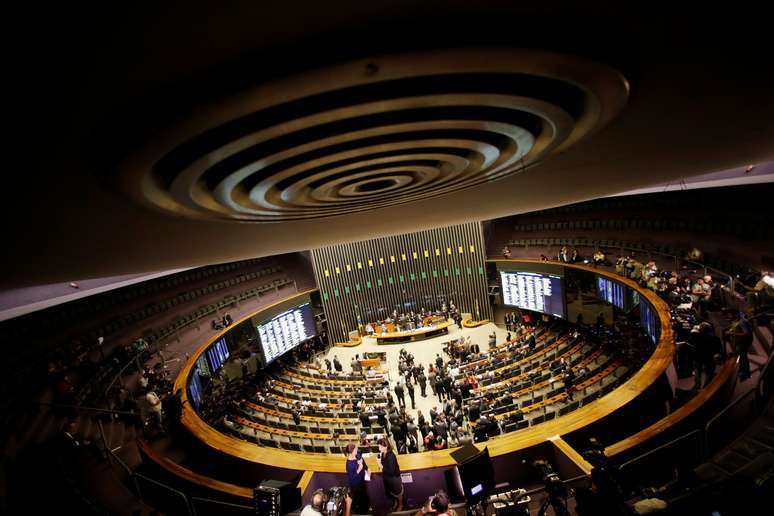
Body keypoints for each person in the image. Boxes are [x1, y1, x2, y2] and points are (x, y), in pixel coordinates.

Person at [377, 438, 404, 512]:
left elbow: (391, 472)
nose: (379, 448)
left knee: (398, 492)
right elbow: (383, 464)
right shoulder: (383, 453)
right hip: (387, 478)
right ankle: (396, 502)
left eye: (380, 447)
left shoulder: (391, 456)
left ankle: (401, 504)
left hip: (394, 478)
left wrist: (381, 466)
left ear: (385, 447)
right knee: (392, 492)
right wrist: (380, 463)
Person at [344, 443, 370, 513]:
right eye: (355, 449)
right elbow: (352, 479)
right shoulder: (349, 464)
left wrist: (367, 469)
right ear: (351, 452)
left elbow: (363, 461)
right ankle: (358, 510)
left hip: (362, 479)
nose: (357, 450)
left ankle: (365, 507)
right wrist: (359, 469)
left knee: (364, 494)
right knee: (358, 497)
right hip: (356, 484)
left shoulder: (357, 454)